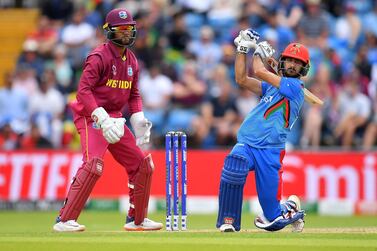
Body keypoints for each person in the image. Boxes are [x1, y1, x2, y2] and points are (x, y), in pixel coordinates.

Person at [53, 8, 162, 232]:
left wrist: (139, 118)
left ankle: (137, 220)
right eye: (121, 29)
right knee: (93, 165)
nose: (126, 33)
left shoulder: (131, 59)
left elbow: (133, 94)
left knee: (142, 165)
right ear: (109, 31)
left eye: (129, 29)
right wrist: (101, 118)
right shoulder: (98, 56)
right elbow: (83, 91)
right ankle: (64, 220)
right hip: (90, 115)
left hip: (116, 119)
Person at [216, 29, 307, 232]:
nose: (292, 64)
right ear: (282, 61)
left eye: (297, 62)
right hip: (248, 143)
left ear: (303, 68)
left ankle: (291, 207)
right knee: (234, 165)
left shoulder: (295, 89)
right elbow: (241, 79)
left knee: (272, 217)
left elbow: (258, 70)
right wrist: (241, 49)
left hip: (270, 151)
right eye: (290, 60)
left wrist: (258, 52)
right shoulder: (272, 88)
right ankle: (228, 221)